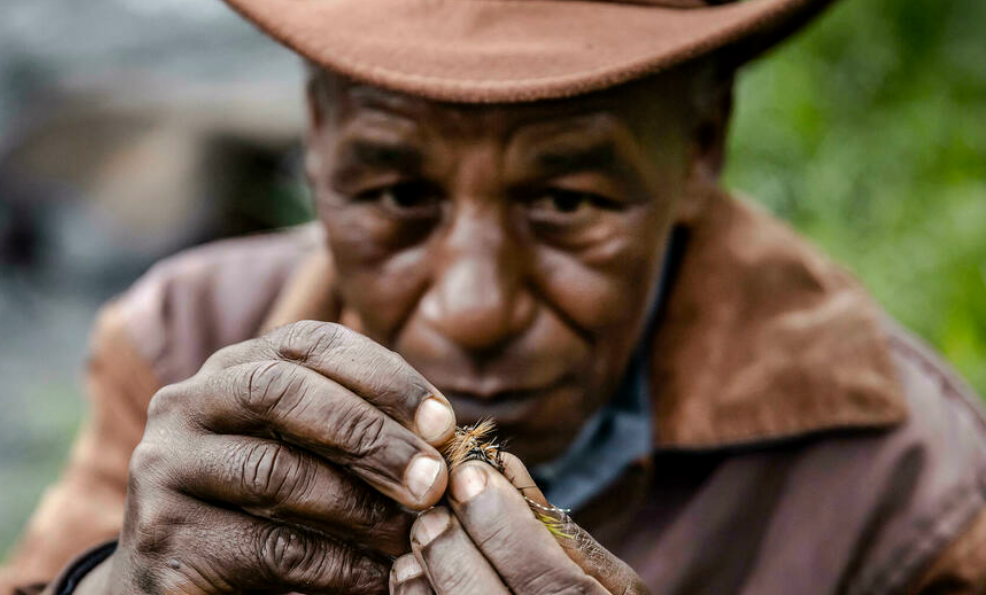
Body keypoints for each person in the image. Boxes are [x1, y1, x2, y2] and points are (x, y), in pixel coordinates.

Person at [3, 0, 986, 593]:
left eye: (564, 200)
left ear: (700, 147)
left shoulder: (908, 482)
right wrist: (124, 579)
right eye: (396, 194)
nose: (472, 308)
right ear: (315, 140)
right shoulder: (180, 342)